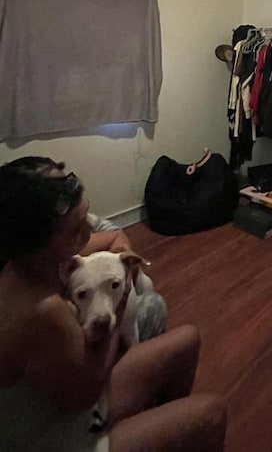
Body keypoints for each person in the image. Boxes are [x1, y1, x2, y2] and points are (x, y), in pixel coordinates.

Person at [0, 156, 226, 452]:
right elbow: (89, 389)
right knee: (212, 413)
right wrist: (116, 312)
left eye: (87, 220)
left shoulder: (25, 261)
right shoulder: (43, 309)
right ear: (41, 242)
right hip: (57, 435)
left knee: (188, 338)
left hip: (61, 402)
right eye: (77, 229)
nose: (87, 235)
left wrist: (123, 258)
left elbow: (112, 239)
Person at [14, 157, 168, 343]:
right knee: (159, 310)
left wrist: (118, 259)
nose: (90, 229)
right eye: (77, 228)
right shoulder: (45, 305)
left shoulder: (49, 251)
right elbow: (90, 372)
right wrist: (121, 308)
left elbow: (113, 234)